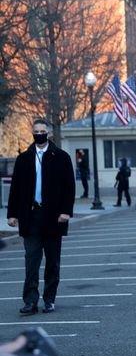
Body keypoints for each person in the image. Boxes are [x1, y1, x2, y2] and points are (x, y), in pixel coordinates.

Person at [6, 119, 75, 315]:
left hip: (53, 217)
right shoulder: (24, 159)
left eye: (42, 131)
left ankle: (49, 299)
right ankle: (30, 301)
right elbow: (16, 189)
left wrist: (65, 211)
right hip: (31, 216)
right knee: (32, 261)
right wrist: (12, 214)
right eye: (36, 131)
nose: (39, 134)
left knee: (52, 261)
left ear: (49, 134)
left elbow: (69, 187)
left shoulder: (61, 157)